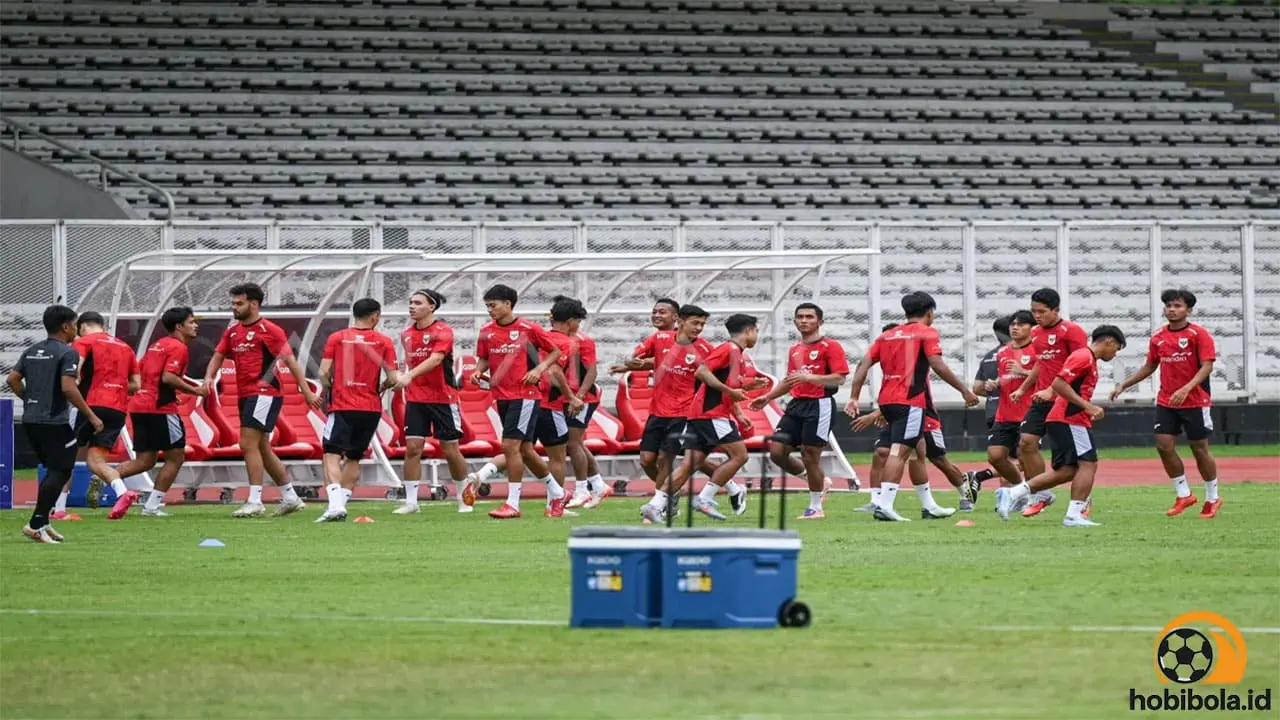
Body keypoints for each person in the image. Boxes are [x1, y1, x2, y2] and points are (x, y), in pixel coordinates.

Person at [844, 292, 980, 523]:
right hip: (910, 402)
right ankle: (885, 505)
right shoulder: (926, 332)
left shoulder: (886, 336)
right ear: (930, 313)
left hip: (886, 401)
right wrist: (964, 390)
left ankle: (929, 506)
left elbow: (863, 363)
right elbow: (937, 364)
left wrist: (854, 396)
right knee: (900, 452)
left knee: (919, 452)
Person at [204, 282, 319, 518]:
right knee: (262, 447)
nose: (234, 308)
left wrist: (306, 391)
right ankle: (290, 497)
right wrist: (209, 377)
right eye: (233, 303)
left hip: (265, 393)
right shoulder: (232, 332)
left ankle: (255, 500)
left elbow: (290, 361)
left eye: (239, 303)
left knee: (247, 444)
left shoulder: (270, 330)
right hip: (245, 395)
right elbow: (217, 355)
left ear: (254, 304)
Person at [998, 325, 1127, 527]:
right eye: (1116, 348)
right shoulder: (1083, 356)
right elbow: (1059, 384)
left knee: (1067, 470)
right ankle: (1074, 515)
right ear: (1109, 341)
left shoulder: (1088, 358)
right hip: (1070, 419)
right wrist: (1088, 407)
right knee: (1088, 464)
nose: (1115, 353)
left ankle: (1013, 493)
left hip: (1065, 418)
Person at [1111, 288, 1221, 519]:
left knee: (1199, 449)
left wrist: (1186, 388)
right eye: (1169, 305)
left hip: (1195, 401)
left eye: (1177, 306)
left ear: (1188, 310)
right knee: (1163, 445)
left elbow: (1207, 366)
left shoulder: (1198, 335)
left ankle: (1212, 497)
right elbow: (1150, 366)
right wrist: (1124, 384)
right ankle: (1184, 494)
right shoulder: (1159, 337)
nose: (1171, 309)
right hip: (1167, 401)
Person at [646, 313, 761, 523]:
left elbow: (724, 384)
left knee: (690, 464)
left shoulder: (736, 353)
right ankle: (706, 498)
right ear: (749, 331)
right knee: (740, 456)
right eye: (756, 331)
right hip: (711, 414)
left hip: (699, 414)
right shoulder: (729, 349)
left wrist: (745, 389)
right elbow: (702, 372)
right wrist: (730, 391)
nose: (756, 336)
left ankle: (655, 505)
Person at [470, 284, 567, 520]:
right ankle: (558, 492)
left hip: (525, 395)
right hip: (501, 395)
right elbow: (484, 358)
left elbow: (555, 352)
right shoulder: (486, 331)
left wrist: (539, 369)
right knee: (524, 449)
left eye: (493, 305)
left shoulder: (528, 328)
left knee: (510, 447)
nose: (490, 310)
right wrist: (477, 370)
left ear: (508, 304)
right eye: (487, 306)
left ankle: (512, 503)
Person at [7, 305, 98, 543]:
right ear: (66, 326)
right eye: (75, 325)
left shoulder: (31, 350)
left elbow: (12, 379)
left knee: (54, 469)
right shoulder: (67, 353)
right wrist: (91, 415)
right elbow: (68, 387)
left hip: (31, 419)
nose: (77, 330)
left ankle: (44, 522)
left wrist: (29, 400)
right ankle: (36, 524)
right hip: (54, 421)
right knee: (61, 469)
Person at [749, 303, 848, 520]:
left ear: (819, 321)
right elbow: (790, 381)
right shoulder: (795, 349)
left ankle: (815, 507)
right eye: (800, 317)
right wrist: (767, 397)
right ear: (794, 321)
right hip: (796, 405)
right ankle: (819, 482)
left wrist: (810, 378)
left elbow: (839, 378)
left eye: (809, 317)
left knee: (810, 455)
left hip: (819, 405)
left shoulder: (830, 347)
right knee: (777, 451)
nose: (804, 320)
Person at [609, 297, 719, 491]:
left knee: (667, 459)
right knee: (647, 460)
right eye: (696, 323)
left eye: (702, 324)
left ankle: (661, 503)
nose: (699, 327)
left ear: (676, 318)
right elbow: (640, 358)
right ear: (681, 322)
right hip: (658, 411)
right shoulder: (659, 339)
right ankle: (672, 489)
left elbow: (714, 376)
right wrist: (633, 363)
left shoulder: (705, 349)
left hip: (684, 413)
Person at [115, 307, 209, 517]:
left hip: (140, 406)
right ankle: (152, 506)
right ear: (179, 326)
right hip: (159, 409)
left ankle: (111, 474)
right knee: (176, 457)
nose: (196, 326)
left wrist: (167, 392)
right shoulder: (178, 347)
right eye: (191, 322)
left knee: (145, 461)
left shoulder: (156, 345)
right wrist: (196, 390)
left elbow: (145, 374)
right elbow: (168, 377)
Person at [315, 299, 400, 523]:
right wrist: (383, 387)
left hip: (342, 406)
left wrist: (329, 388)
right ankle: (339, 506)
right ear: (375, 317)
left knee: (331, 454)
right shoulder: (384, 341)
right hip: (370, 408)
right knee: (354, 458)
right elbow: (393, 377)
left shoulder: (338, 337)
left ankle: (334, 506)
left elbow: (323, 372)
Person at [394, 288, 471, 514]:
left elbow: (436, 359)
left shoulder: (443, 331)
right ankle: (411, 502)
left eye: (418, 303)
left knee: (450, 450)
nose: (412, 306)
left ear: (432, 307)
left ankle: (464, 498)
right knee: (412, 448)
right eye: (410, 303)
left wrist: (409, 375)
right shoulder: (406, 334)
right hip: (416, 399)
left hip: (443, 399)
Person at [1014, 288, 1089, 518]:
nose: (1037, 316)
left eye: (1042, 311)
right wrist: (1024, 387)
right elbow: (1040, 363)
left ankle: (1084, 502)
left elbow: (1082, 364)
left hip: (1066, 399)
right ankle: (1042, 494)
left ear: (1056, 310)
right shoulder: (1036, 333)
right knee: (1026, 443)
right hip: (1041, 397)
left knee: (1073, 457)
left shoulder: (1072, 332)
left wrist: (1052, 390)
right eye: (1033, 311)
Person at [70, 311, 142, 520]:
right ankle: (122, 492)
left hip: (89, 405)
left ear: (82, 327)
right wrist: (116, 386)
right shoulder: (125, 347)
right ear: (103, 325)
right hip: (117, 409)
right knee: (95, 461)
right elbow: (136, 385)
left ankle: (58, 509)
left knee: (65, 455)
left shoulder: (84, 342)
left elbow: (74, 374)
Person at [547, 298, 612, 510]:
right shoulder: (555, 338)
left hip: (584, 397)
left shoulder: (583, 341)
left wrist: (581, 396)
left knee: (573, 444)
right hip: (564, 397)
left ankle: (582, 490)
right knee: (576, 444)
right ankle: (598, 485)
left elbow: (591, 370)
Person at [977, 310, 1037, 498]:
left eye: (1020, 324)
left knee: (1024, 455)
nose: (1015, 328)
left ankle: (1036, 496)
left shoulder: (1038, 350)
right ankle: (1020, 488)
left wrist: (1024, 372)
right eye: (1013, 324)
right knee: (995, 456)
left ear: (1032, 328)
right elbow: (1006, 379)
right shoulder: (1003, 353)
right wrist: (993, 384)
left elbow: (1050, 379)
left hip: (1028, 412)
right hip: (1003, 413)